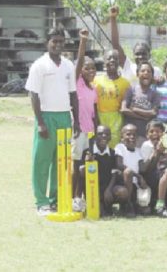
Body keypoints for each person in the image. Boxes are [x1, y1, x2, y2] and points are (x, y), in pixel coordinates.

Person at [25, 27, 81, 216]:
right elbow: (34, 95)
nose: (58, 44)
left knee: (61, 161)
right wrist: (40, 122)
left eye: (60, 41)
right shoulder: (39, 65)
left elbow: (73, 95)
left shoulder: (68, 65)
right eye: (54, 41)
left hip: (65, 116)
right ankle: (41, 202)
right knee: (42, 160)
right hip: (46, 116)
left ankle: (55, 199)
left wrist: (77, 122)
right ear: (47, 43)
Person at [71, 29, 99, 212]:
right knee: (76, 164)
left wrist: (96, 133)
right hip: (78, 131)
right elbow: (80, 60)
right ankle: (73, 197)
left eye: (93, 68)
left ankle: (82, 197)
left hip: (90, 132)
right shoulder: (76, 83)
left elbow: (94, 113)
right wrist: (83, 41)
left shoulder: (93, 88)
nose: (90, 70)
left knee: (86, 165)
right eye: (86, 68)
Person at [78, 125, 130, 217]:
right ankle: (92, 204)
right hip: (93, 189)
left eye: (107, 134)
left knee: (123, 192)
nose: (104, 136)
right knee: (98, 213)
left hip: (108, 187)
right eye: (100, 134)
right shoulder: (87, 152)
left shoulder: (113, 153)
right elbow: (81, 173)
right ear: (95, 137)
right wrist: (87, 163)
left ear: (110, 137)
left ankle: (123, 208)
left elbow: (114, 173)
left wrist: (108, 189)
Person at [109, 6, 163, 86]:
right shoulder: (128, 66)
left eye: (143, 53)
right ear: (133, 55)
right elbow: (115, 45)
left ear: (149, 55)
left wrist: (161, 80)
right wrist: (113, 18)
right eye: (137, 54)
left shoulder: (156, 71)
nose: (140, 57)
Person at [139, 120, 167, 218]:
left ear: (163, 133)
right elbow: (146, 169)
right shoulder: (146, 145)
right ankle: (160, 206)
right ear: (147, 135)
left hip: (165, 179)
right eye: (151, 131)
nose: (155, 134)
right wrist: (157, 152)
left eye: (158, 131)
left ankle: (163, 202)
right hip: (150, 178)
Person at [93, 49, 130, 149]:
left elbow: (125, 104)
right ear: (104, 61)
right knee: (99, 146)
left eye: (115, 58)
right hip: (99, 117)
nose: (112, 60)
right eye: (109, 58)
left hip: (116, 119)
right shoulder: (96, 80)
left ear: (119, 62)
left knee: (114, 147)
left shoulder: (125, 83)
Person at [115, 124, 151, 216]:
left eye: (134, 135)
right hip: (122, 182)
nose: (132, 137)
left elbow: (142, 168)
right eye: (128, 134)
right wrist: (138, 176)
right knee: (128, 172)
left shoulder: (138, 151)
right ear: (122, 137)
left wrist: (154, 153)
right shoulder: (120, 147)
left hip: (135, 185)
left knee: (147, 211)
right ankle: (127, 205)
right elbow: (119, 165)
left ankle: (135, 205)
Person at [121, 62, 160, 147]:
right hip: (129, 135)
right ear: (137, 74)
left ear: (152, 76)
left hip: (144, 136)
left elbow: (153, 113)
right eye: (143, 71)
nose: (146, 73)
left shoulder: (155, 94)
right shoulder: (131, 89)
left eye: (149, 71)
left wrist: (135, 109)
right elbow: (123, 109)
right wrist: (143, 117)